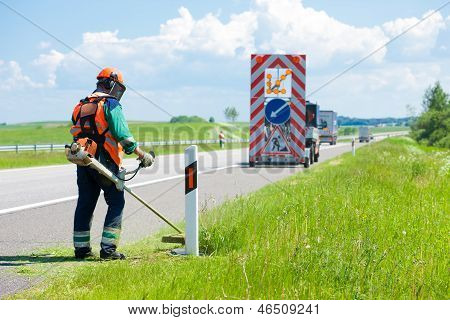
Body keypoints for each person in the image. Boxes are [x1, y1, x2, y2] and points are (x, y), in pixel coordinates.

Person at [69, 67, 154, 260]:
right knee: (116, 202)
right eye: (118, 88)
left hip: (83, 161)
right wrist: (142, 155)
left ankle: (81, 249)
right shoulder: (110, 103)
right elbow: (122, 135)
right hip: (104, 160)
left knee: (85, 202)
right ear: (112, 84)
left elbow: (76, 130)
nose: (118, 93)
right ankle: (108, 250)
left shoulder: (81, 105)